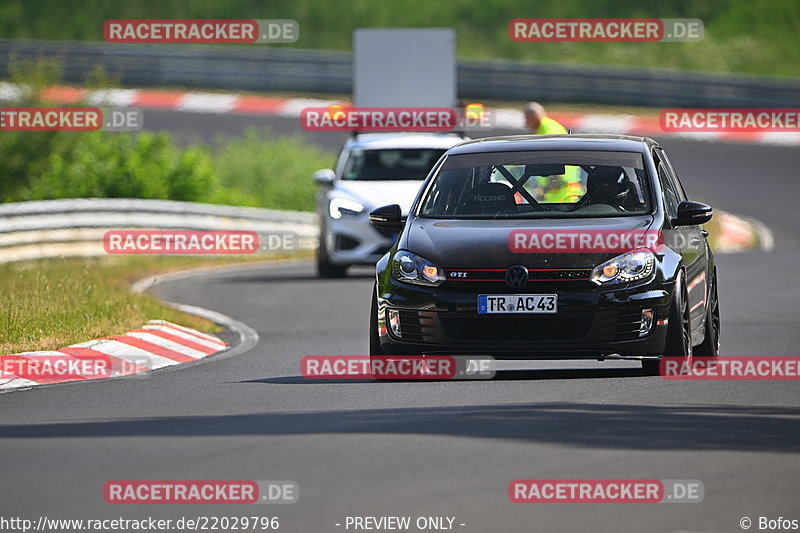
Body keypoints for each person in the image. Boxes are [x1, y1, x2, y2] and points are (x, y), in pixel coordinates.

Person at [522, 102, 580, 203]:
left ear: (534, 116)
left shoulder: (547, 130)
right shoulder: (546, 128)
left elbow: (554, 156)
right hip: (559, 189)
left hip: (561, 190)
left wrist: (550, 184)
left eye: (527, 118)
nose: (525, 123)